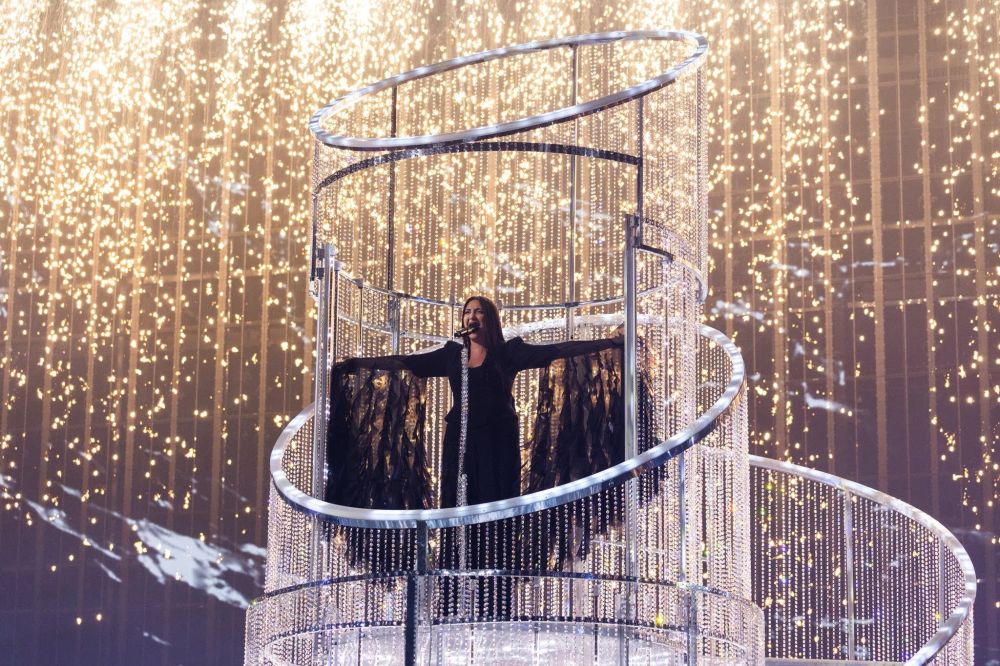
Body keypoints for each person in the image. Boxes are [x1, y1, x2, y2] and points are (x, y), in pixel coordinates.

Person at [331, 295, 623, 510]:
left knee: (494, 497)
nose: (472, 316)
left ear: (490, 319)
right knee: (459, 496)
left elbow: (556, 350)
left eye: (479, 311)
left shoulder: (508, 353)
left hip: (497, 437)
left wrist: (609, 344)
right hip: (460, 437)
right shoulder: (452, 355)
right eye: (467, 312)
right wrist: (357, 364)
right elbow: (407, 362)